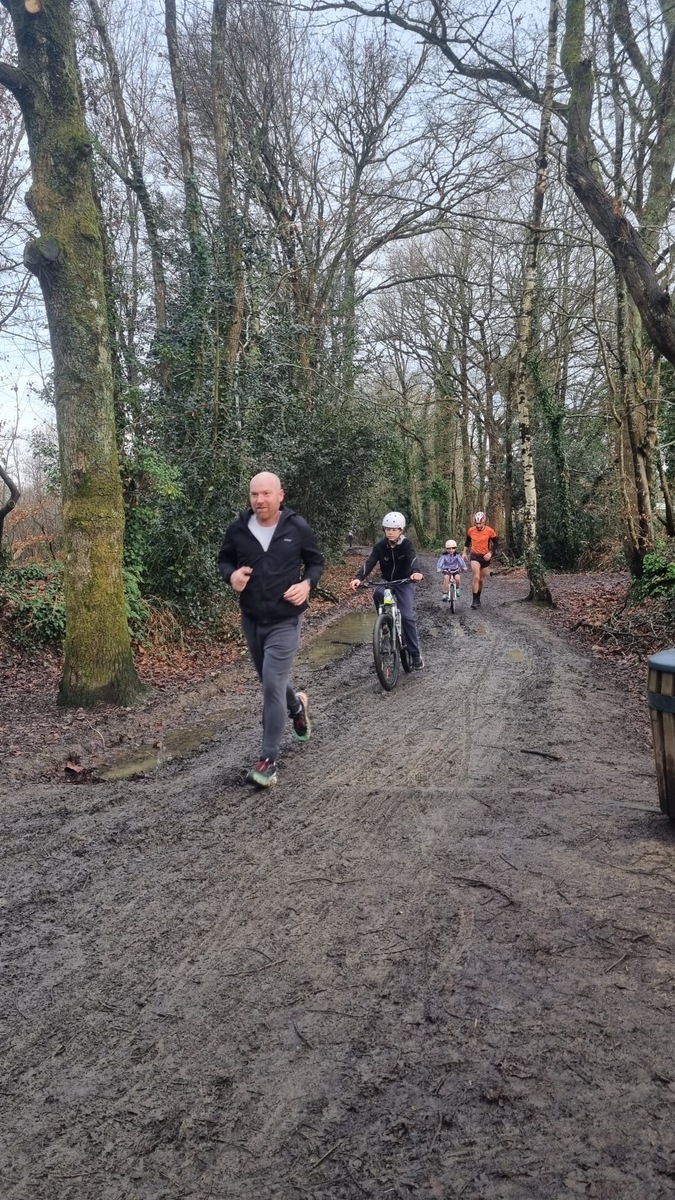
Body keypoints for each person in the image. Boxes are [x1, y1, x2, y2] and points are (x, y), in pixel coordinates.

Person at [217, 471, 324, 787]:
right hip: (252, 618)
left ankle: (268, 761)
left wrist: (306, 584)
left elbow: (316, 562)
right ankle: (297, 707)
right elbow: (224, 560)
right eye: (254, 494)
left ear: (280, 495)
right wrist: (231, 576)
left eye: (266, 494)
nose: (259, 500)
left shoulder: (296, 527)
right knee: (270, 680)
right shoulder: (238, 528)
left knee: (271, 685)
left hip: (286, 619)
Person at [349, 511, 425, 668]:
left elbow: (413, 560)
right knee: (378, 593)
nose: (390, 532)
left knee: (407, 617)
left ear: (401, 530)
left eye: (394, 529)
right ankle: (384, 621)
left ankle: (415, 654)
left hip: (404, 582)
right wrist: (358, 578)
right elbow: (370, 562)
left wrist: (415, 572)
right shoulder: (380, 546)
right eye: (387, 529)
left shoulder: (407, 544)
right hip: (387, 582)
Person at [464, 511, 497, 609]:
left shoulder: (490, 531)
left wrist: (490, 553)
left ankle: (478, 597)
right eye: (476, 523)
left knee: (481, 580)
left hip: (485, 557)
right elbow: (467, 542)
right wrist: (464, 552)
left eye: (480, 523)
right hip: (474, 556)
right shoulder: (471, 530)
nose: (478, 525)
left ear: (484, 522)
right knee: (476, 577)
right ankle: (474, 600)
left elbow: (496, 544)